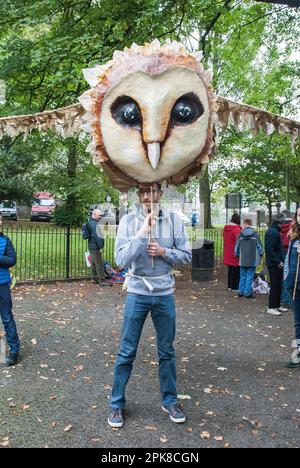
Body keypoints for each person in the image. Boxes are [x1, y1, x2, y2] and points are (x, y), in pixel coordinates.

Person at [108, 183, 192, 428]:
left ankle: (170, 400)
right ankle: (116, 404)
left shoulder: (174, 220)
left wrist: (165, 251)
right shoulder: (127, 221)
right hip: (137, 292)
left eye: (152, 191)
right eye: (142, 192)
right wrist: (143, 232)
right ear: (138, 195)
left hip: (164, 294)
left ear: (160, 194)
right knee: (126, 351)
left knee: (167, 351)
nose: (147, 196)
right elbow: (121, 260)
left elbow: (186, 256)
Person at [0, 214, 20, 366]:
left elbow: (12, 260)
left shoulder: (5, 240)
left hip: (2, 285)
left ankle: (14, 351)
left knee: (7, 318)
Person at [284, 208, 300, 368]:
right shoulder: (293, 234)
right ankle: (298, 352)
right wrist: (287, 278)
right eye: (299, 214)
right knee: (298, 321)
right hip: (294, 283)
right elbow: (288, 258)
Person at [235, 219, 264, 299]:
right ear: (251, 224)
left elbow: (236, 248)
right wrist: (261, 255)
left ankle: (240, 292)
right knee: (250, 276)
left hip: (243, 258)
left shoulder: (240, 234)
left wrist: (237, 255)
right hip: (252, 258)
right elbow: (260, 247)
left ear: (245, 223)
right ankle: (247, 293)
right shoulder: (255, 234)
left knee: (242, 275)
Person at [265, 213, 287, 316]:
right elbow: (269, 249)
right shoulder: (273, 232)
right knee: (275, 285)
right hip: (274, 264)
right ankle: (271, 306)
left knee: (278, 285)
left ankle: (276, 305)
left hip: (276, 262)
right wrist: (278, 261)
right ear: (281, 222)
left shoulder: (274, 231)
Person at [223, 213, 242, 291]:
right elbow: (239, 240)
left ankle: (230, 286)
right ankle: (235, 287)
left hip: (228, 251)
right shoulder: (236, 229)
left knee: (230, 269)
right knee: (236, 270)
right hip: (235, 252)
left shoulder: (226, 228)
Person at [88, 209, 107, 286]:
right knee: (99, 263)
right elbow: (97, 237)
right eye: (99, 215)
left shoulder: (90, 222)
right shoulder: (95, 224)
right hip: (95, 246)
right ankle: (102, 280)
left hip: (91, 245)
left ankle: (94, 278)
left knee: (93, 262)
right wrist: (101, 246)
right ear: (94, 214)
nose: (100, 217)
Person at [280, 217, 293, 308]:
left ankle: (281, 298)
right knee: (288, 275)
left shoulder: (280, 228)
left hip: (281, 252)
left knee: (281, 276)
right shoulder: (292, 227)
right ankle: (286, 299)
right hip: (289, 251)